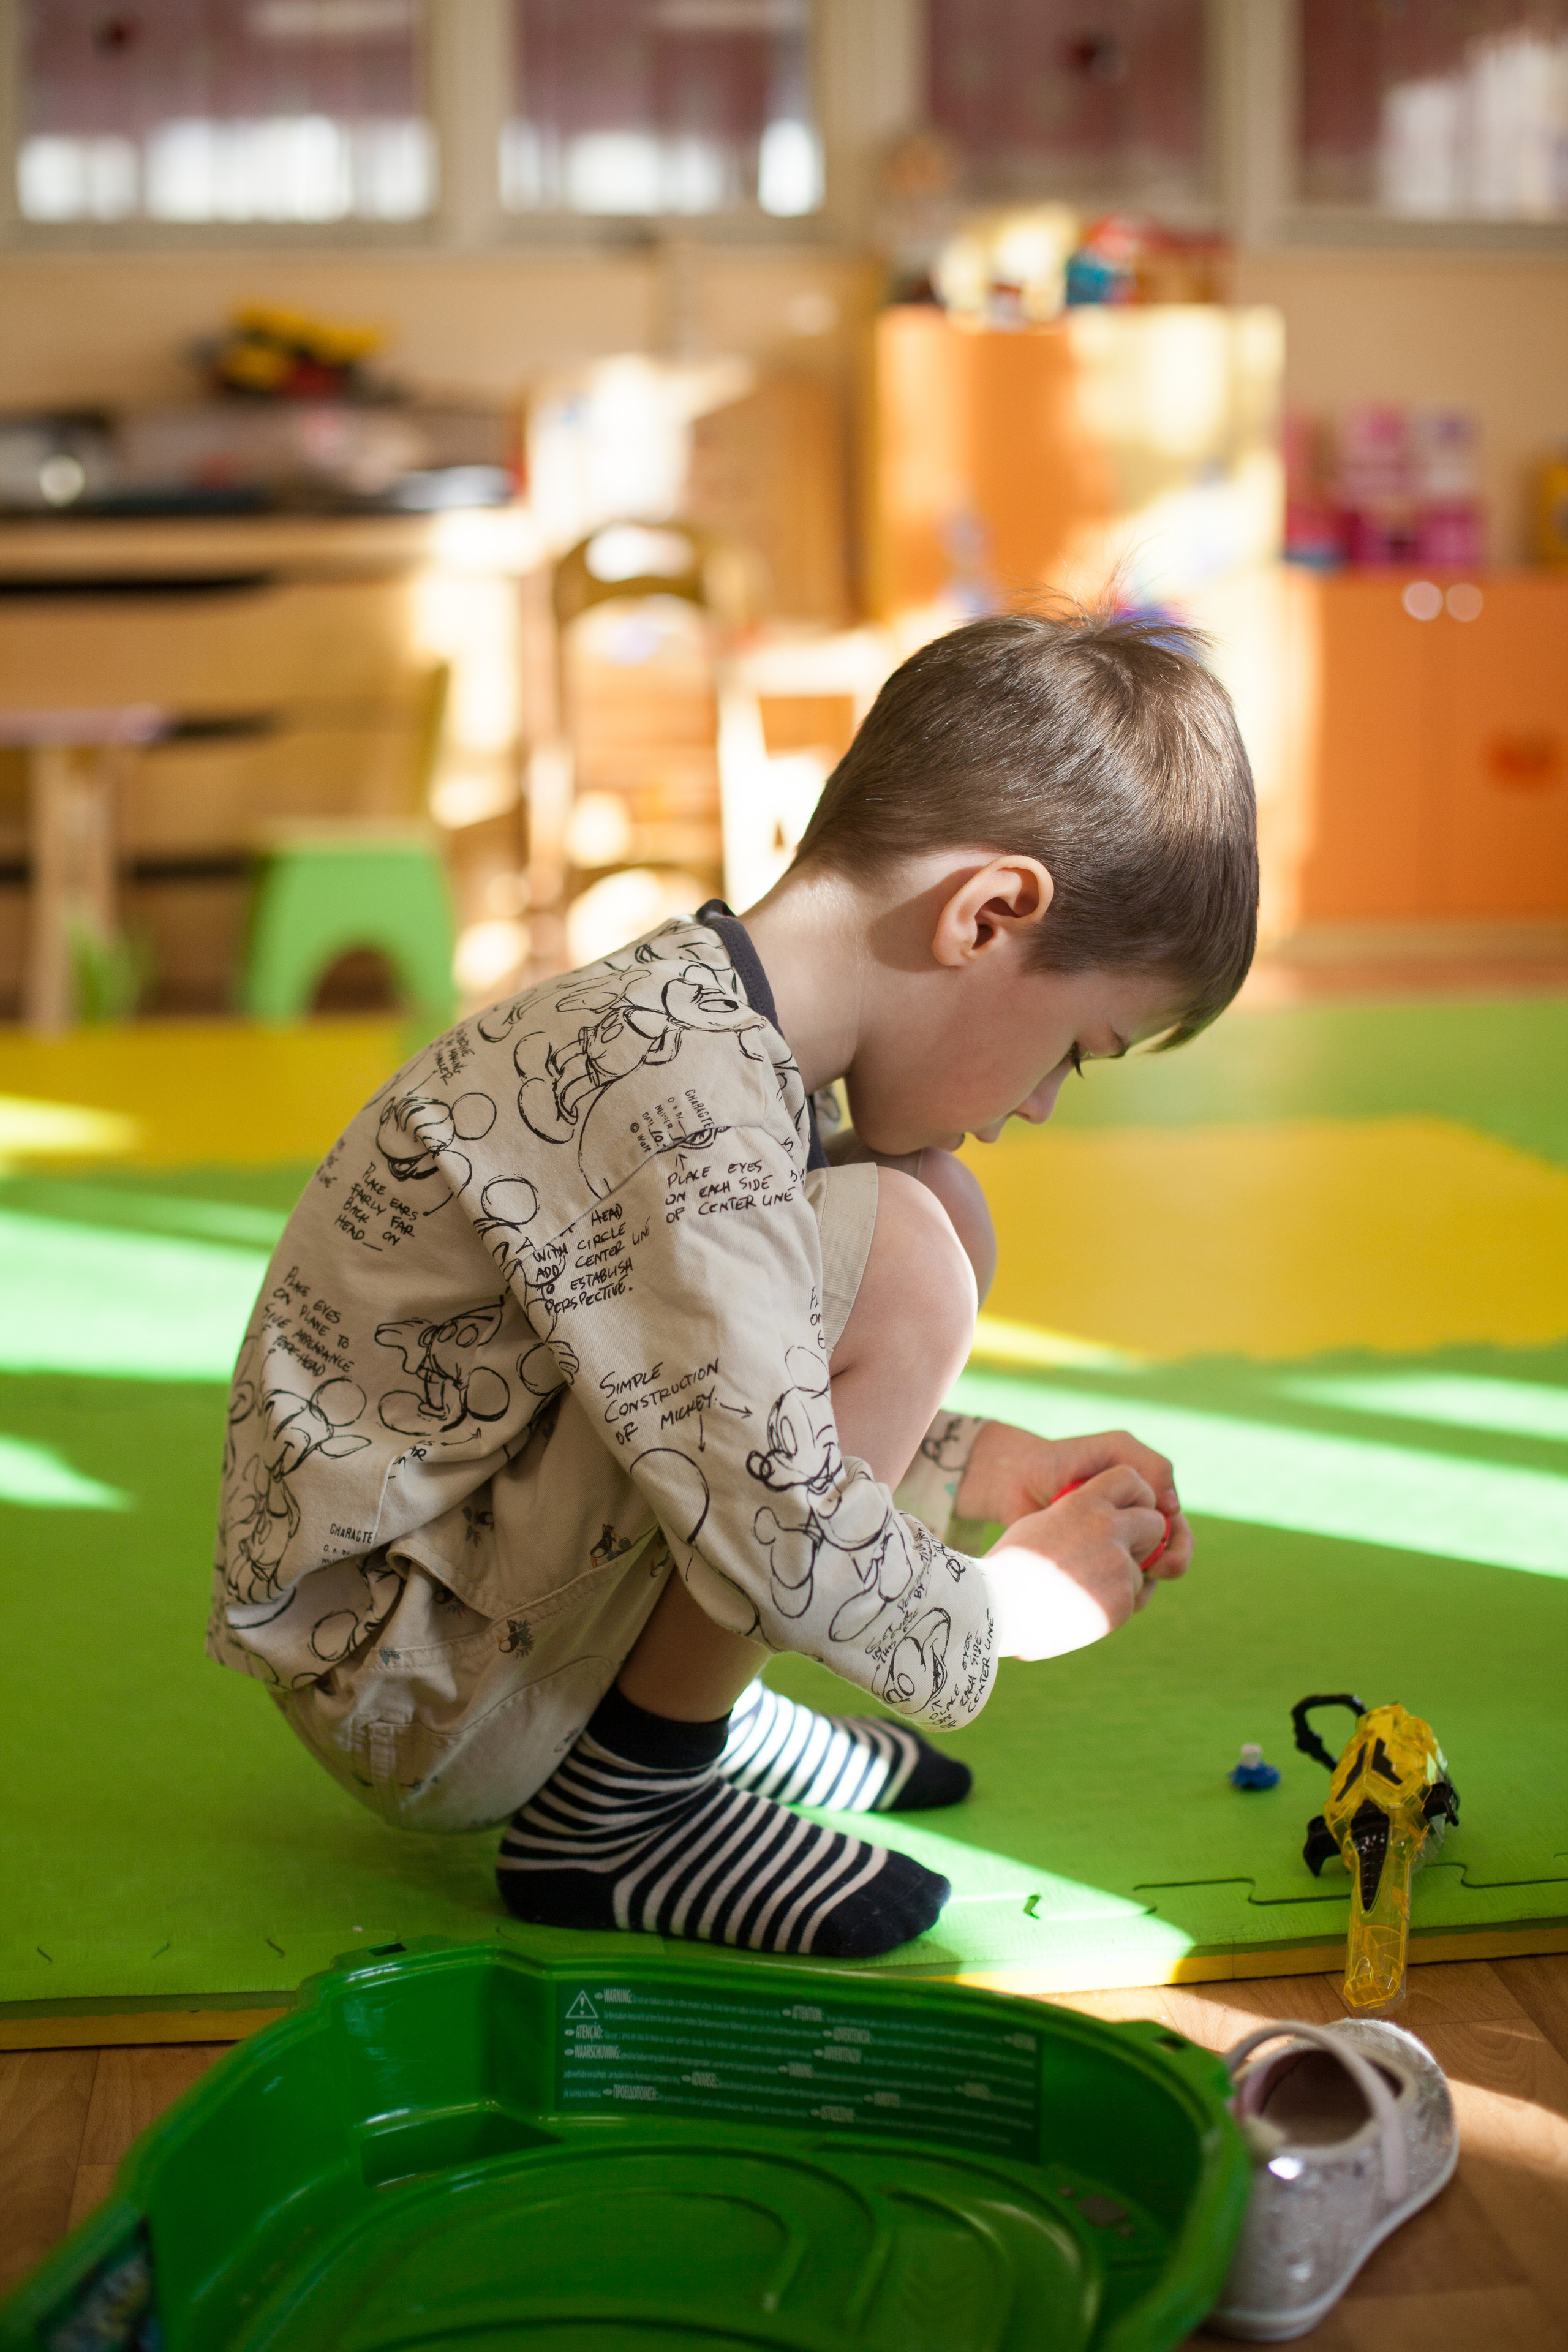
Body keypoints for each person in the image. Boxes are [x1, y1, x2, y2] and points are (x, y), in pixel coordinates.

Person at [208, 607, 1257, 1962]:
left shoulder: (698, 1028)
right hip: (417, 1691)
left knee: (924, 1205)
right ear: (988, 915)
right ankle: (627, 1801)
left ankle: (676, 1712)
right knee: (906, 1248)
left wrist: (980, 1465)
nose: (1046, 1102)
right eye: (1078, 1047)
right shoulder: (682, 1111)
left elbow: (690, 1379)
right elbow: (763, 1499)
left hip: (456, 1602)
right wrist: (1005, 1610)